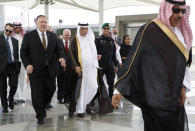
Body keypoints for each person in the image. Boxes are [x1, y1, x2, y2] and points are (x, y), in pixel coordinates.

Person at [112, 0, 192, 131]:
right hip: (154, 95)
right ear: (166, 9)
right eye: (176, 10)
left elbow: (185, 63)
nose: (180, 15)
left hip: (175, 96)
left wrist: (184, 86)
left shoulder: (183, 33)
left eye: (183, 11)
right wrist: (119, 90)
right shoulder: (150, 30)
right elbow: (133, 60)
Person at [20, 15, 66, 125]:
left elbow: (60, 50)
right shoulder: (29, 36)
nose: (44, 24)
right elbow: (23, 53)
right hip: (35, 70)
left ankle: (43, 105)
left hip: (50, 70)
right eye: (41, 22)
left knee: (51, 89)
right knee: (36, 94)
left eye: (45, 22)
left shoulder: (53, 36)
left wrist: (61, 57)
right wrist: (27, 65)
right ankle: (40, 115)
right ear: (36, 23)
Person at [69, 23, 99, 118]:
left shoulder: (90, 39)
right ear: (79, 29)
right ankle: (80, 109)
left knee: (94, 87)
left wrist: (95, 57)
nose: (84, 31)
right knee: (81, 90)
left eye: (86, 29)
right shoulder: (75, 39)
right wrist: (75, 66)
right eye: (82, 29)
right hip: (81, 70)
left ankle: (85, 104)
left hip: (91, 68)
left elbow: (92, 52)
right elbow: (71, 54)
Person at [0, 23, 20, 113]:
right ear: (4, 29)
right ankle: (4, 106)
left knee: (14, 85)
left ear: (12, 32)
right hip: (1, 67)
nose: (8, 32)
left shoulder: (15, 41)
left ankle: (11, 97)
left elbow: (16, 54)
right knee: (2, 88)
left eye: (10, 31)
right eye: (6, 30)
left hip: (13, 66)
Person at [95, 23, 118, 98]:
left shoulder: (112, 41)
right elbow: (94, 52)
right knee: (98, 83)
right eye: (104, 28)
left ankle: (110, 98)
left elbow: (114, 55)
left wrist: (116, 65)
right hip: (100, 65)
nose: (106, 30)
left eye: (108, 29)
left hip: (110, 65)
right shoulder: (98, 39)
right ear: (102, 30)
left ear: (109, 30)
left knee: (111, 83)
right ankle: (97, 98)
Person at [12, 22, 26, 103]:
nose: (18, 29)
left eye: (19, 27)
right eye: (16, 27)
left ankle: (20, 96)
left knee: (22, 79)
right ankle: (15, 96)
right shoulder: (11, 36)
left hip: (23, 61)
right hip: (14, 61)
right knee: (14, 79)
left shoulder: (24, 36)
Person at [57, 29, 71, 104]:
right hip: (59, 66)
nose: (66, 36)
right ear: (63, 35)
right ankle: (60, 98)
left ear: (70, 36)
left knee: (68, 83)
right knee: (60, 83)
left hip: (69, 67)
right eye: (65, 35)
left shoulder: (72, 43)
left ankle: (67, 98)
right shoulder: (58, 42)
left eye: (68, 35)